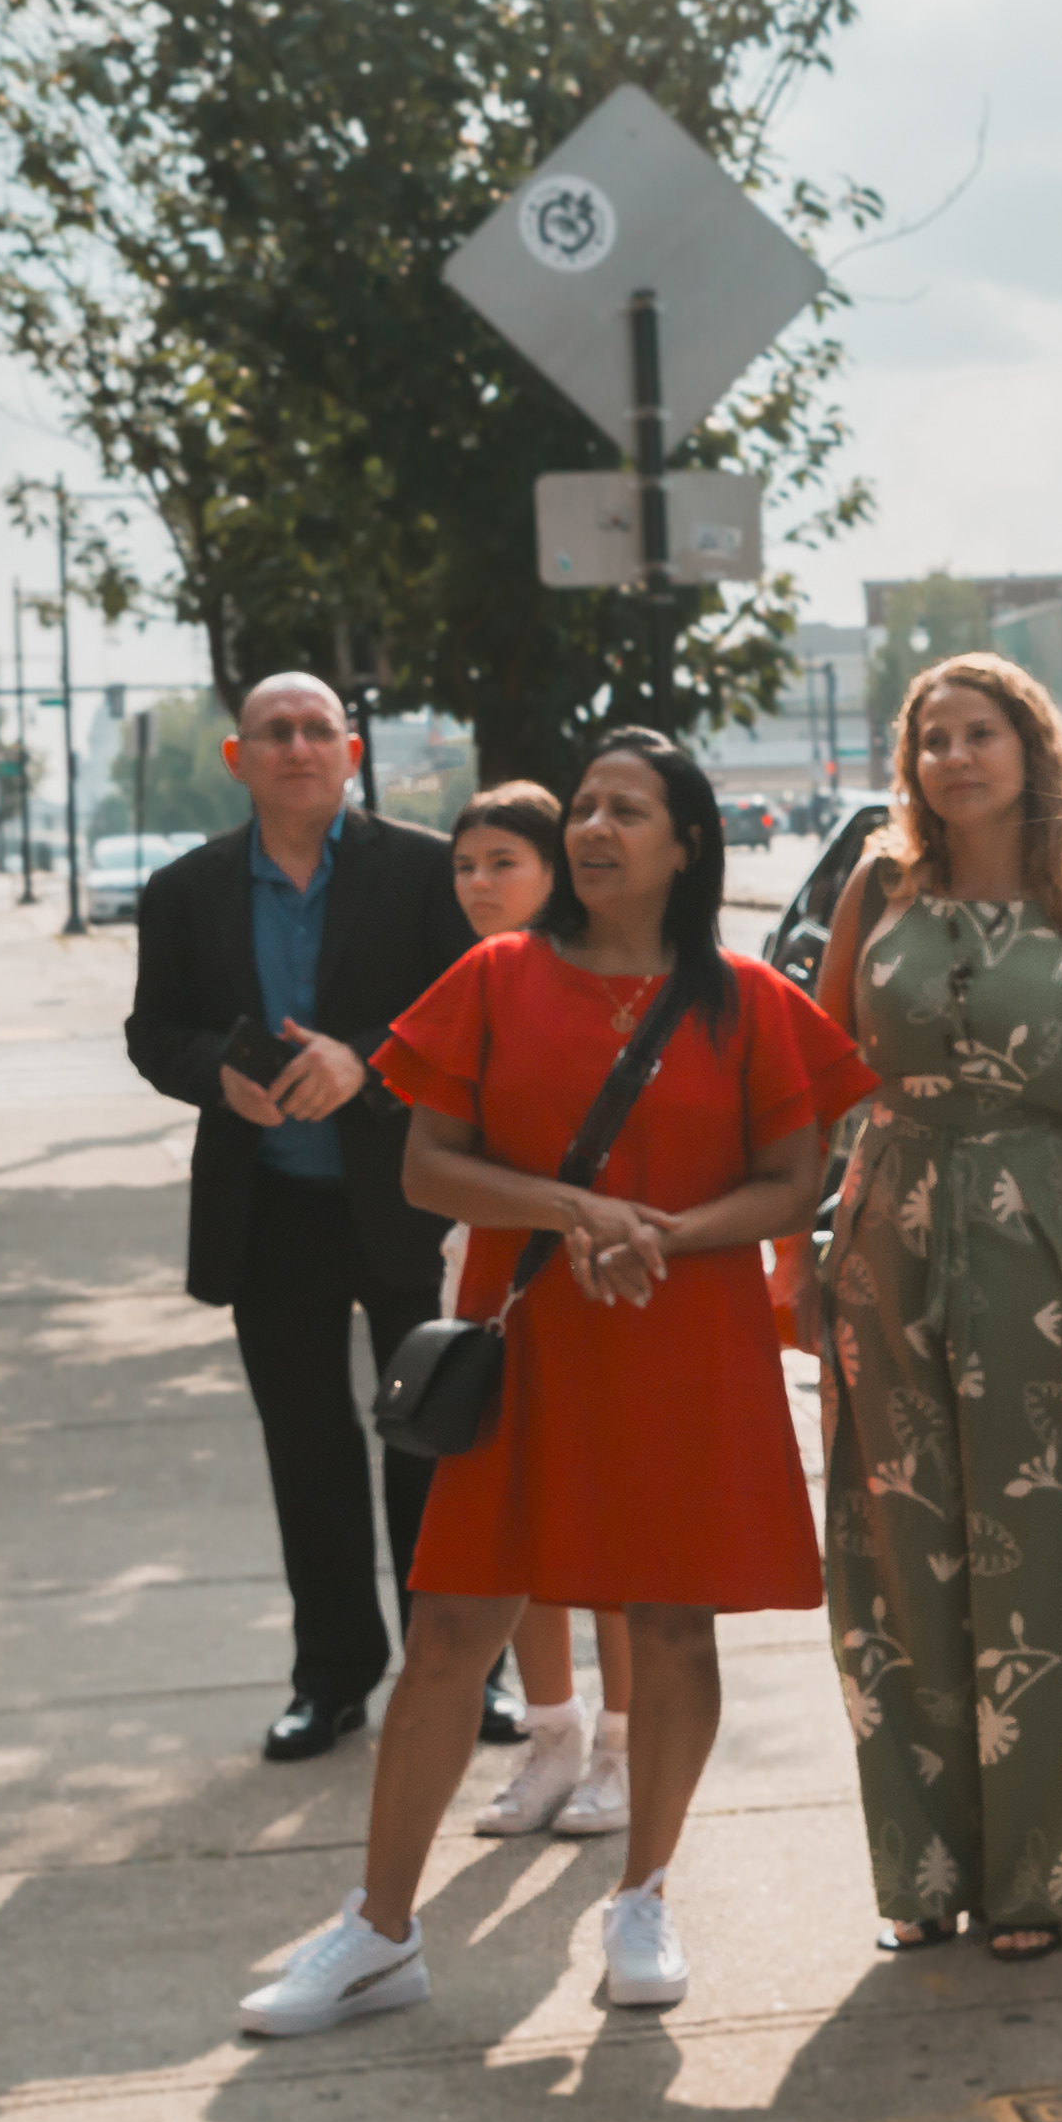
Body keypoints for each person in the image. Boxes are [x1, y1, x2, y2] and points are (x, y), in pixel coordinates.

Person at [234, 729, 870, 2035]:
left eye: (627, 810)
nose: (593, 829)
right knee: (451, 1633)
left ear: (688, 843)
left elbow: (793, 1183)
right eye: (584, 807)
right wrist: (580, 1210)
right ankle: (381, 1930)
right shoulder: (494, 978)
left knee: (674, 1625)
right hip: (528, 1340)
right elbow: (428, 1168)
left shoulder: (750, 999)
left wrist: (659, 1234)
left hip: (686, 1342)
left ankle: (643, 1894)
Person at [792, 657, 1062, 1963]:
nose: (954, 756)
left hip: (1038, 1232)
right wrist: (792, 1252)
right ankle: (925, 1865)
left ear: (1032, 747)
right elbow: (817, 1075)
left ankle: (1043, 1872)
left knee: (1044, 1543)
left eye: (980, 733)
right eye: (932, 738)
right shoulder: (878, 887)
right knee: (896, 1546)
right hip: (884, 1234)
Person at [123, 672, 499, 1763]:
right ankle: (330, 1678)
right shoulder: (185, 890)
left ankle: (464, 1671)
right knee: (308, 1452)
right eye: (275, 732)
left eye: (317, 730)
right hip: (270, 1212)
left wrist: (367, 1063)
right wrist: (217, 1075)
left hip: (411, 1205)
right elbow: (154, 1032)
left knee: (434, 1442)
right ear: (237, 758)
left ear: (352, 752)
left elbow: (472, 1012)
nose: (297, 748)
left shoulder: (425, 870)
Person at [441, 782, 642, 1841]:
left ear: (557, 871)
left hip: (603, 1271)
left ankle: (621, 1748)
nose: (479, 884)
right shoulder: (474, 981)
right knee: (523, 1513)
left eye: (502, 864)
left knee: (608, 1518)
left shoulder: (610, 981)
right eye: (465, 866)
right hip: (496, 1269)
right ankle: (551, 1737)